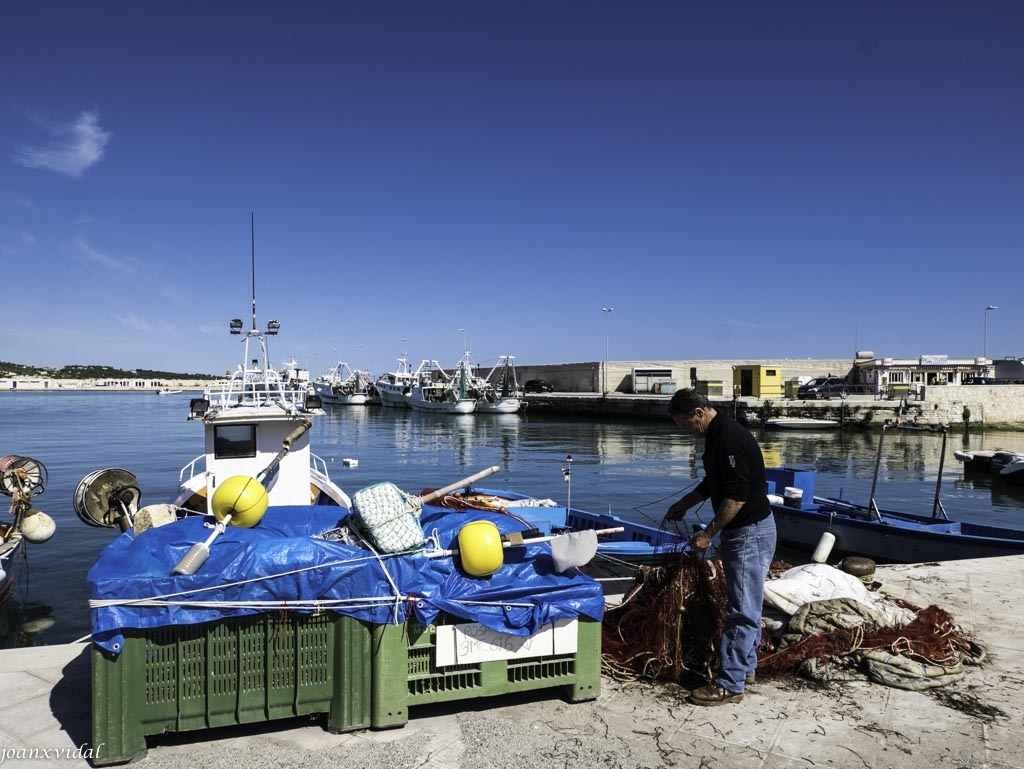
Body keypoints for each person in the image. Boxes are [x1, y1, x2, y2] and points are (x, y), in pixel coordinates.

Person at [664, 388, 777, 706]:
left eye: (687, 425)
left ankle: (730, 684)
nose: (687, 432)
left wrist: (707, 534)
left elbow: (736, 498)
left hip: (749, 534)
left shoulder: (728, 438)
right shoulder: (716, 434)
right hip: (748, 532)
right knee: (747, 605)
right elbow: (715, 482)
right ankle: (744, 669)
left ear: (699, 413)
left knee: (741, 610)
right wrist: (684, 503)